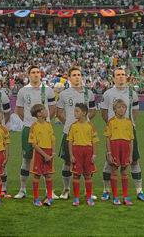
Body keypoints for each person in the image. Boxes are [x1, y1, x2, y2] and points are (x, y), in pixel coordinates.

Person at [100, 67, 144, 202]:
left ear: (126, 77)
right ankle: (106, 191)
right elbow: (103, 113)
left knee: (134, 160)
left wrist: (127, 124)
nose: (121, 77)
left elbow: (136, 112)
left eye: (123, 74)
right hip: (114, 132)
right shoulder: (108, 94)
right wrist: (114, 125)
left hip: (128, 131)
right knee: (110, 162)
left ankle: (139, 191)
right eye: (118, 75)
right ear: (113, 78)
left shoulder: (133, 93)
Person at [15, 65, 56, 199]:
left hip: (45, 128)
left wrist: (44, 123)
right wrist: (29, 122)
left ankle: (49, 191)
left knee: (46, 159)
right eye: (33, 72)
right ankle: (22, 189)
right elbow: (19, 110)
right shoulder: (22, 91)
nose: (36, 74)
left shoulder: (48, 90)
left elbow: (52, 109)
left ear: (41, 74)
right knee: (26, 159)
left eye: (38, 72)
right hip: (28, 127)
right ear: (28, 75)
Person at [56, 66, 96, 200]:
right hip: (69, 133)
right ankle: (66, 189)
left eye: (79, 74)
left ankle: (87, 191)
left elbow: (92, 111)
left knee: (87, 163)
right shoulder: (64, 94)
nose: (77, 77)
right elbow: (59, 113)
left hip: (85, 135)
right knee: (67, 162)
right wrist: (70, 125)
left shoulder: (88, 93)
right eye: (74, 75)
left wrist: (84, 123)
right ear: (69, 78)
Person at [104, 99, 135, 206]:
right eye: (118, 107)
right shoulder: (111, 122)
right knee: (114, 171)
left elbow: (131, 140)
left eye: (123, 107)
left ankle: (125, 196)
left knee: (125, 172)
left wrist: (130, 155)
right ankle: (115, 196)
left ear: (126, 109)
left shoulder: (129, 122)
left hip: (125, 148)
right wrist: (109, 153)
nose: (121, 109)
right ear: (114, 110)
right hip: (114, 147)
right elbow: (108, 138)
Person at [68, 103, 99, 206]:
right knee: (76, 175)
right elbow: (70, 141)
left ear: (84, 113)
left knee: (88, 175)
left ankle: (89, 197)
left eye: (77, 111)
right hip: (77, 151)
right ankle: (76, 198)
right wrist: (71, 155)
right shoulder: (73, 126)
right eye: (74, 111)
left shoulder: (90, 126)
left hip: (88, 151)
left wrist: (94, 154)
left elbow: (94, 141)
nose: (75, 113)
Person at [28, 104, 55, 207]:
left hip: (48, 153)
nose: (46, 111)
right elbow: (33, 144)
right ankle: (36, 198)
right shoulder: (34, 126)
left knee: (48, 175)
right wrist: (44, 155)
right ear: (39, 114)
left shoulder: (49, 125)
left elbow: (52, 139)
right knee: (37, 175)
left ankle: (49, 197)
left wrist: (52, 153)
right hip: (39, 153)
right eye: (44, 110)